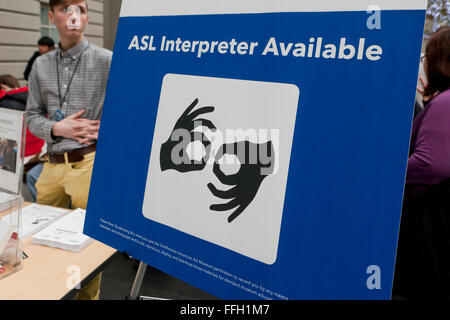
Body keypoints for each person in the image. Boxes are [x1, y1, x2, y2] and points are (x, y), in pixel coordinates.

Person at [25, 0, 112, 300]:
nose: (74, 16)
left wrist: (109, 129)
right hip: (51, 165)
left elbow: (130, 112)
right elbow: (32, 117)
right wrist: (56, 128)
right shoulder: (41, 64)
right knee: (39, 243)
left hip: (88, 163)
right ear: (52, 16)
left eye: (81, 9)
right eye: (65, 8)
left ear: (86, 17)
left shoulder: (106, 61)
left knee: (85, 247)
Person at [394, 26, 450, 300]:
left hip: (430, 230)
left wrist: (383, 174)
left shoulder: (445, 104)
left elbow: (430, 165)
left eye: (426, 56)